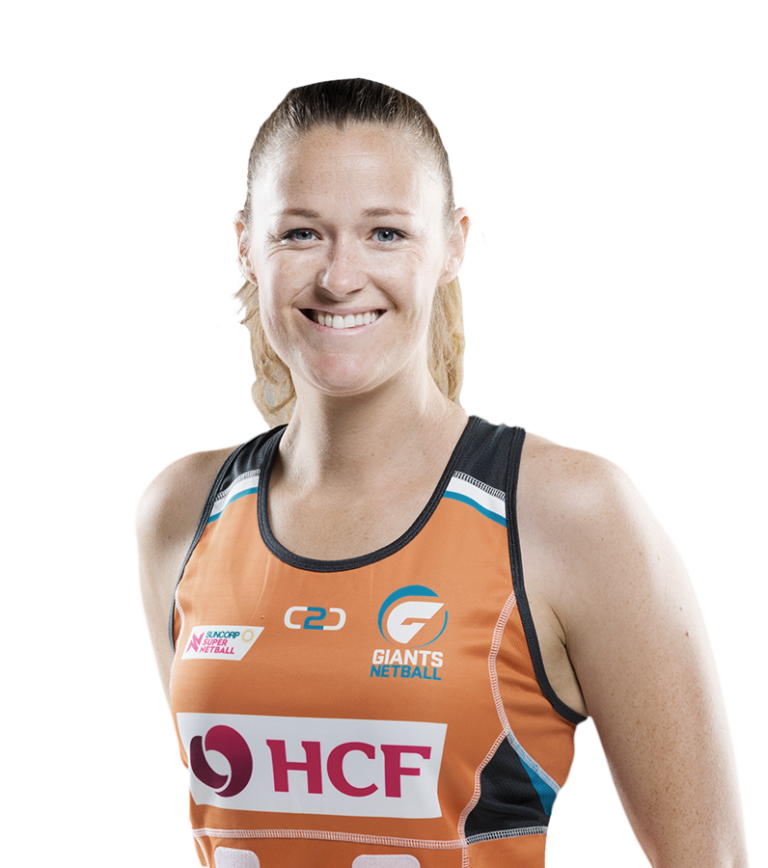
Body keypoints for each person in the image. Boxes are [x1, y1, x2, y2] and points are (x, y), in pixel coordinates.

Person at [135, 79, 748, 868]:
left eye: (386, 232)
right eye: (301, 234)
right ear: (247, 244)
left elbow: (708, 861)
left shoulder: (571, 512)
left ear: (455, 243)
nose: (340, 277)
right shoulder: (182, 510)